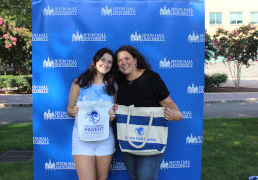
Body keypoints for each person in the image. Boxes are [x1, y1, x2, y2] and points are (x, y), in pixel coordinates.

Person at [114, 45, 183, 180]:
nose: (123, 63)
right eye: (119, 60)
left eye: (127, 58)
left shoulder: (152, 78)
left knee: (146, 177)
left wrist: (177, 115)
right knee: (134, 177)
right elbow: (116, 106)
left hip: (151, 140)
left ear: (135, 59)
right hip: (128, 139)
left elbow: (168, 103)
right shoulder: (120, 83)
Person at [67, 48, 116, 180]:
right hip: (82, 138)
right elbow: (70, 110)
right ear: (95, 61)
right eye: (103, 60)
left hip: (105, 138)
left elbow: (113, 112)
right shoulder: (79, 84)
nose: (106, 64)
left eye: (110, 62)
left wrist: (113, 115)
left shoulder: (113, 87)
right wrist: (73, 111)